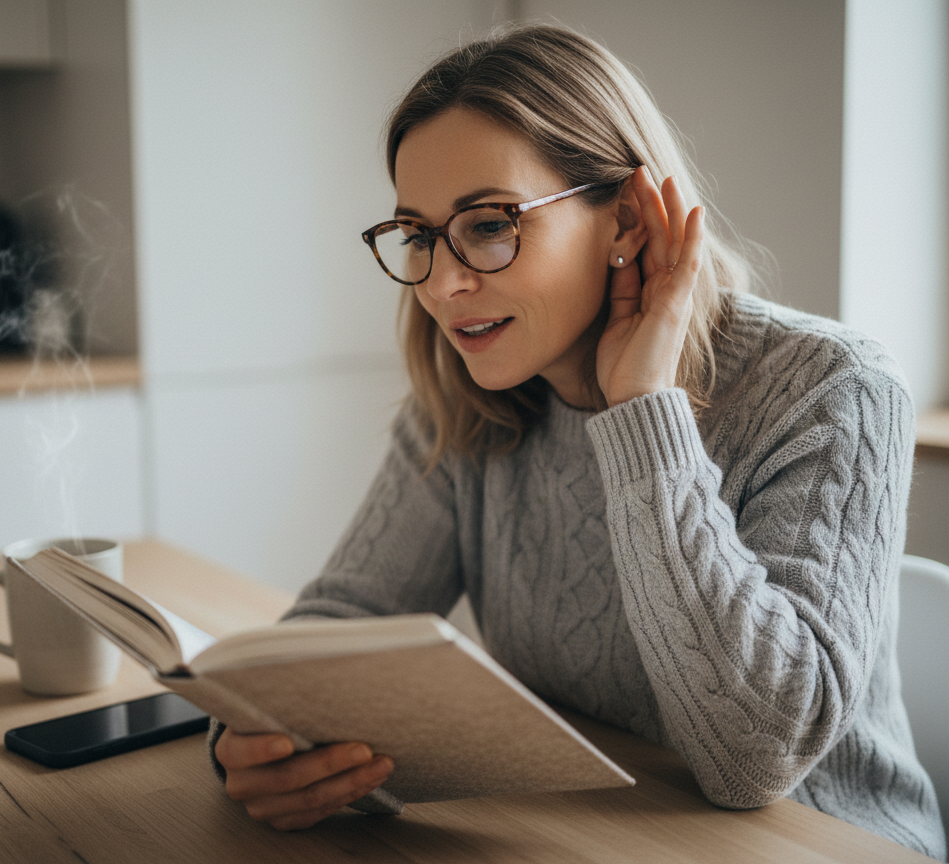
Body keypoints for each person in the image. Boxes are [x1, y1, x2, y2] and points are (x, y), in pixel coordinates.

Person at [210, 23, 946, 858]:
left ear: (627, 218)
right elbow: (343, 622)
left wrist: (642, 411)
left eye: (489, 224)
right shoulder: (466, 393)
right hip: (587, 836)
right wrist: (253, 740)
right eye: (418, 235)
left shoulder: (833, 391)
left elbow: (755, 761)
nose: (443, 284)